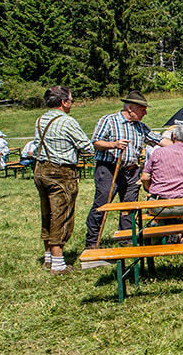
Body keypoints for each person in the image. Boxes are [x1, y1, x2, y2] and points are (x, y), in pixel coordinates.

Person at [79, 92, 155, 258]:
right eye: (142, 109)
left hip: (131, 170)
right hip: (109, 169)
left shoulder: (140, 127)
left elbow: (158, 140)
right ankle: (92, 242)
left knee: (129, 206)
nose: (145, 113)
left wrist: (180, 146)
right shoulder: (109, 120)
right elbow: (96, 143)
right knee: (102, 204)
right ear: (130, 108)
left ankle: (126, 238)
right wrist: (113, 144)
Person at [31, 86, 94, 273]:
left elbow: (36, 146)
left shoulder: (40, 119)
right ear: (63, 102)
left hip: (40, 169)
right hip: (61, 172)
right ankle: (58, 263)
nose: (71, 104)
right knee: (61, 215)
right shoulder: (67, 122)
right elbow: (87, 148)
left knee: (47, 213)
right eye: (71, 100)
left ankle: (48, 257)